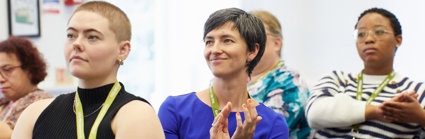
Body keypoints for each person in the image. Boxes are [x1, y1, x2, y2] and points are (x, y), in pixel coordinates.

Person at [11, 1, 165, 138]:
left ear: (122, 50)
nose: (76, 43)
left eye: (92, 37)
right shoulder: (35, 113)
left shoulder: (135, 114)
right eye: (71, 35)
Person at [158, 8, 289, 139]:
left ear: (252, 51)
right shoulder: (174, 110)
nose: (215, 49)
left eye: (227, 40)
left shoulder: (273, 124)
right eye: (209, 42)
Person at [305, 7, 425, 138]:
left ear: (398, 40)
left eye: (379, 32)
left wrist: (420, 117)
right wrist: (375, 111)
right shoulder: (337, 79)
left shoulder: (416, 91)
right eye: (361, 34)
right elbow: (314, 114)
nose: (368, 39)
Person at [248, 10, 311, 139]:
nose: (249, 43)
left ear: (277, 43)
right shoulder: (231, 79)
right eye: (245, 37)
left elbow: (263, 133)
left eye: (257, 36)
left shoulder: (290, 83)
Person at [0, 37, 52, 139]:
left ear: (29, 69)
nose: (1, 79)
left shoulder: (41, 102)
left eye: (7, 70)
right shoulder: (5, 102)